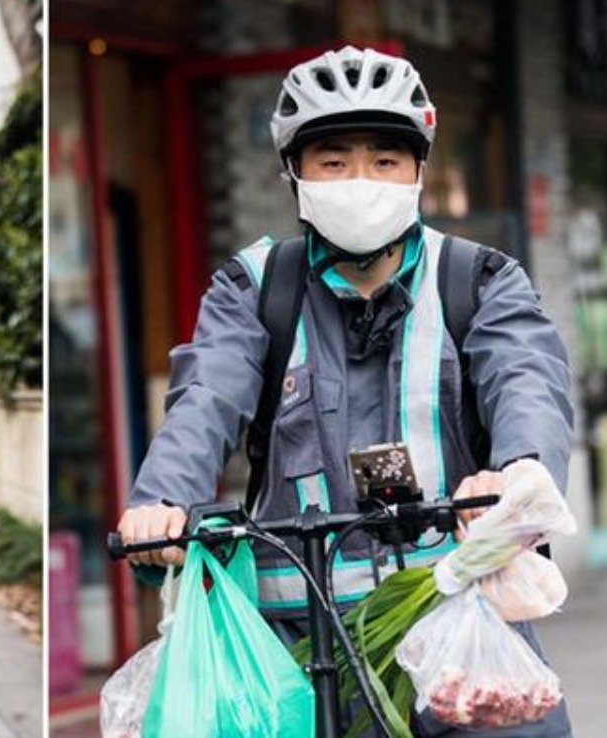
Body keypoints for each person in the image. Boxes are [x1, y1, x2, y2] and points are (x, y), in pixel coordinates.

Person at [117, 46, 573, 736]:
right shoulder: (253, 288)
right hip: (304, 642)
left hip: (460, 629)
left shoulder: (479, 280)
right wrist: (159, 502)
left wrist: (522, 472)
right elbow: (205, 398)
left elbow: (525, 377)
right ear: (294, 173)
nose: (361, 179)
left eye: (385, 160)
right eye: (333, 160)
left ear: (419, 172)